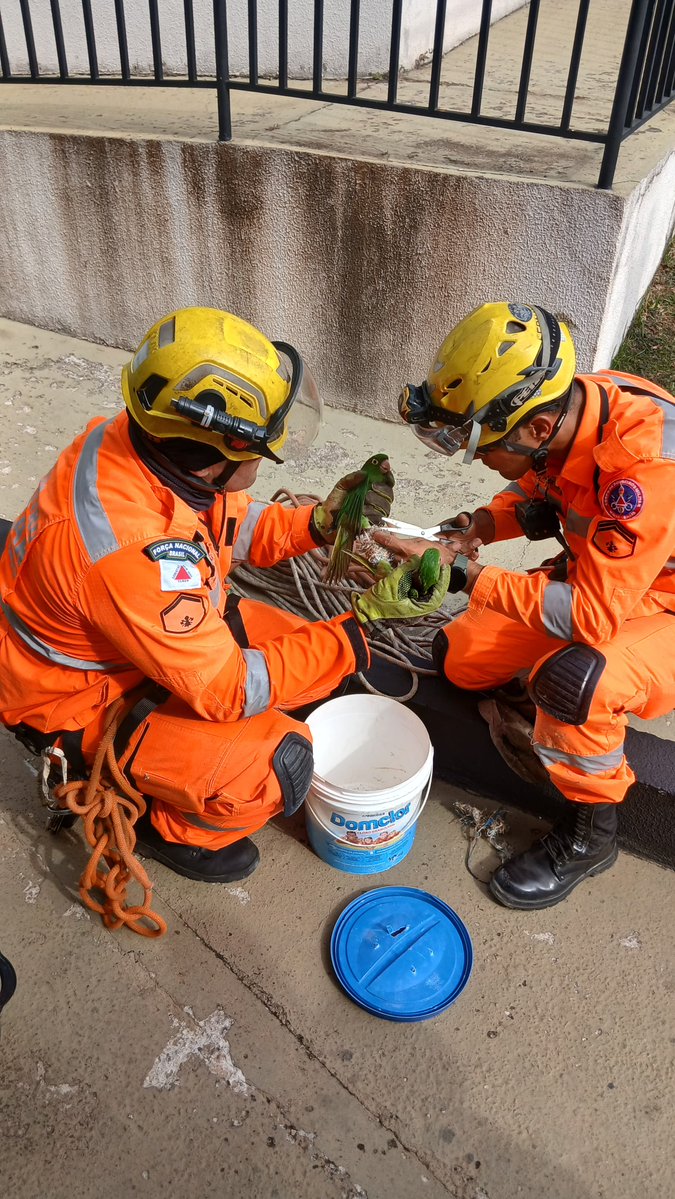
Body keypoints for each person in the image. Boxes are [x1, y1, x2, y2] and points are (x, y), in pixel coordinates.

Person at [0, 307, 450, 885]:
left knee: (311, 660)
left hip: (127, 642)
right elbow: (229, 690)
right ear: (222, 449)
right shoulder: (132, 550)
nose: (269, 455)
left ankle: (177, 765)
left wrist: (318, 525)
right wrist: (362, 622)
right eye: (261, 444)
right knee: (281, 758)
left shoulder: (150, 449)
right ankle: (168, 825)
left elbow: (228, 523)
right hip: (81, 703)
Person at [381, 301, 675, 910]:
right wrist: (480, 524)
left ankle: (593, 832)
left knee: (574, 682)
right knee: (459, 659)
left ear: (537, 429)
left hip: (663, 605)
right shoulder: (572, 406)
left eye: (475, 442)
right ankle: (561, 708)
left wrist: (468, 575)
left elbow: (592, 616)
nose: (476, 456)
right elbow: (544, 486)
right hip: (613, 577)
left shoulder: (639, 470)